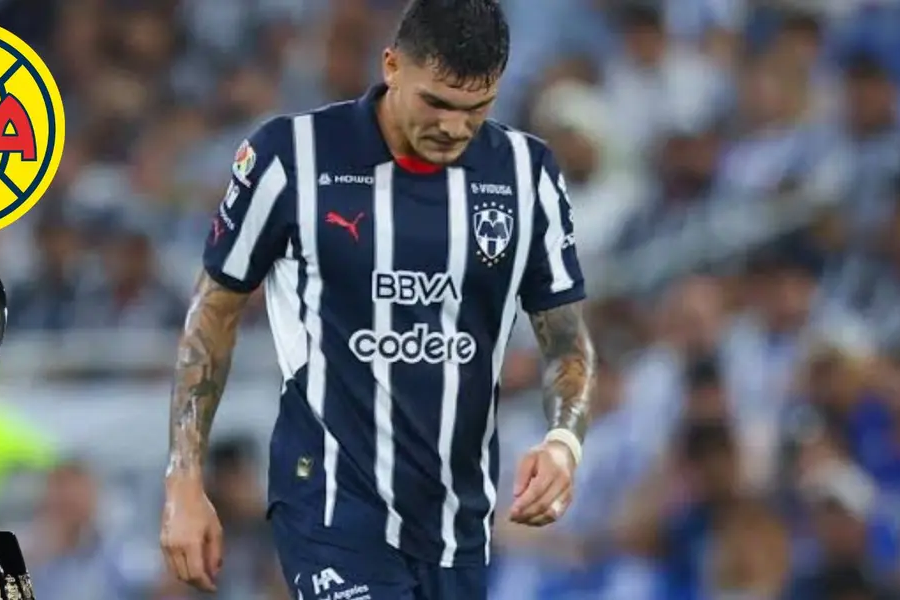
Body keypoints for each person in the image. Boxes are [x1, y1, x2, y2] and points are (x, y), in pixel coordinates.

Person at [159, 1, 596, 598]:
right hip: (329, 507)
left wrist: (564, 441)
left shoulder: (526, 173)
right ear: (391, 66)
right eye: (436, 102)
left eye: (477, 108)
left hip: (458, 525)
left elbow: (566, 337)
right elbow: (213, 313)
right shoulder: (292, 156)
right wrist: (183, 480)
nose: (454, 127)